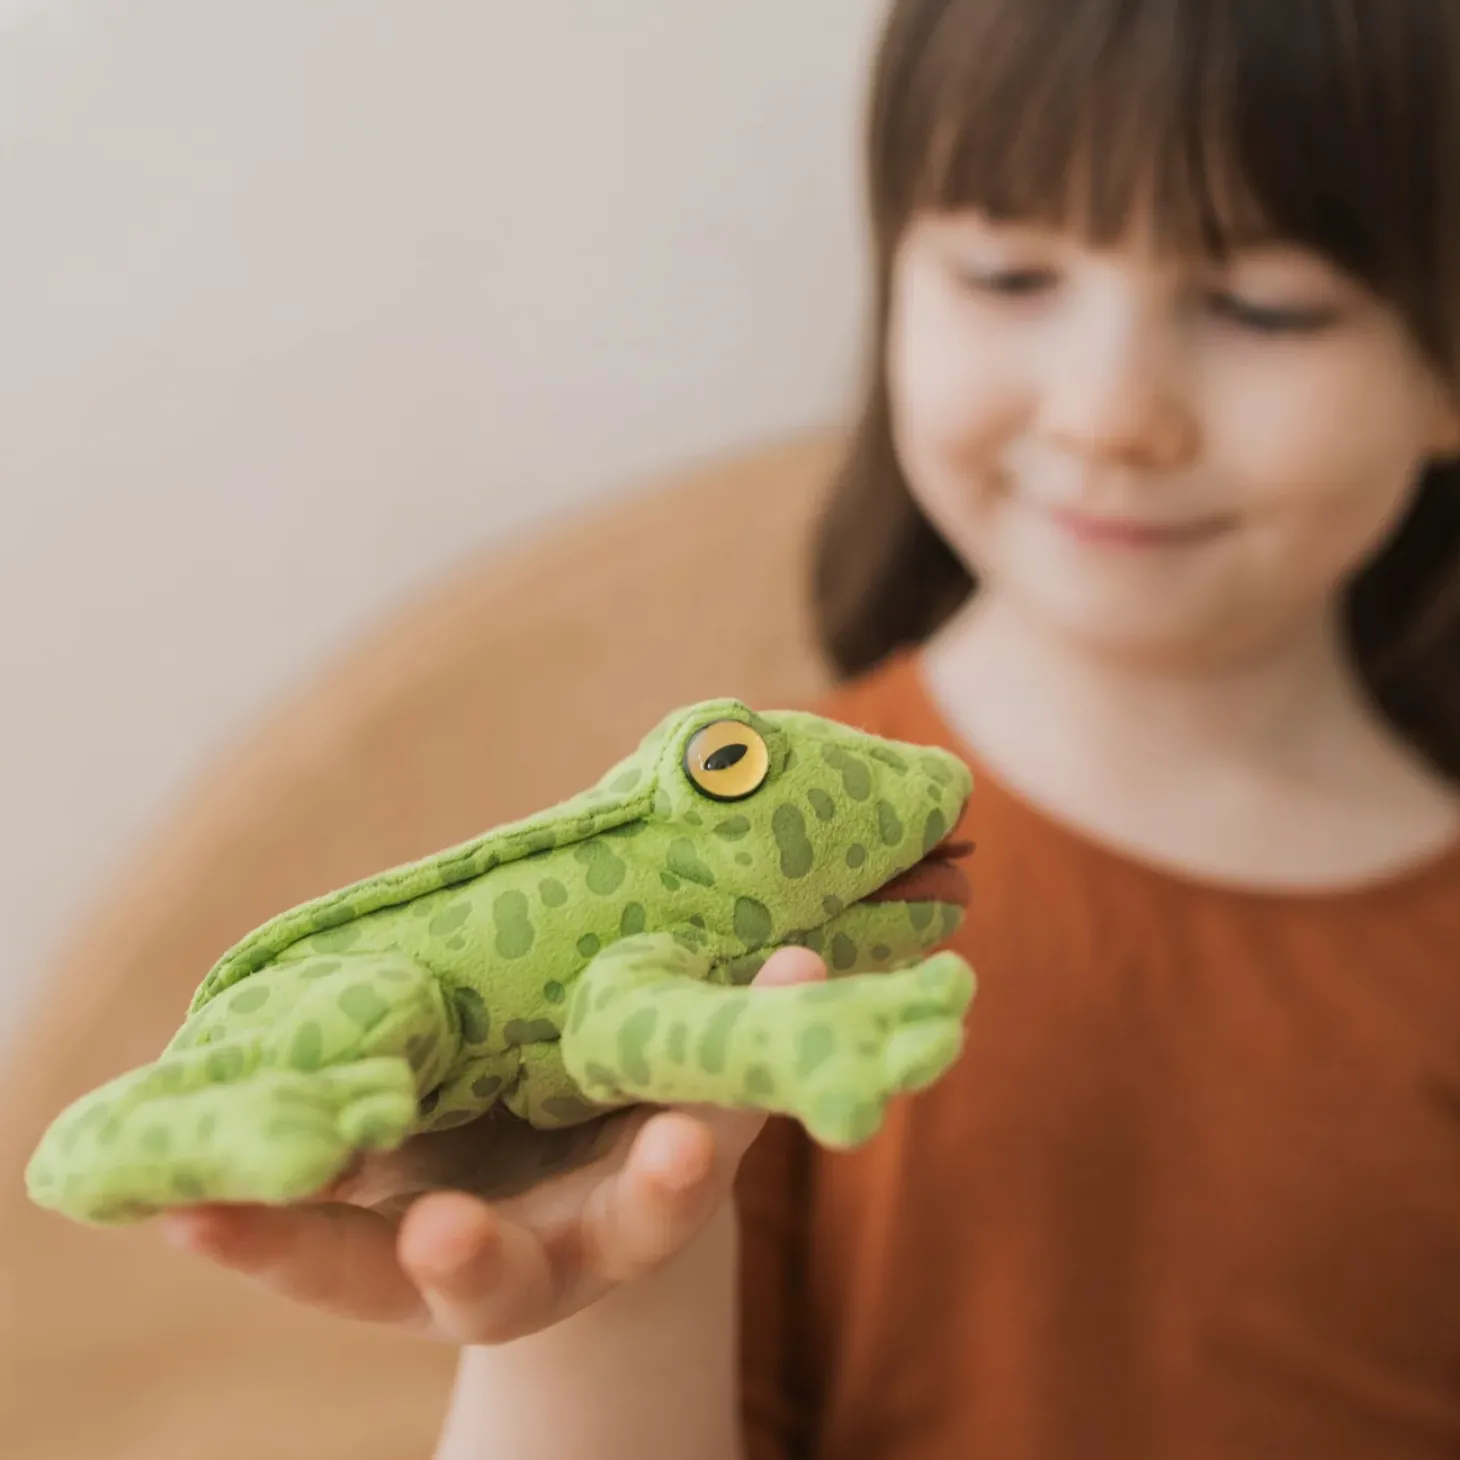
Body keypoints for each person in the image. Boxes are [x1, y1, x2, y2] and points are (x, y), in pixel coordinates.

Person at [158, 0, 1460, 1455]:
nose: (1110, 413)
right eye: (1010, 272)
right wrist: (589, 1292)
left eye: (1265, 305)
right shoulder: (751, 876)